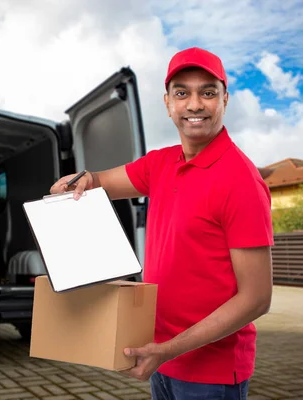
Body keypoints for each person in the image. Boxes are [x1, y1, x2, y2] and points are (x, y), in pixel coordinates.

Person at [50, 47, 274, 399]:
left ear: (225, 99)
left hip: (209, 375)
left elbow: (257, 298)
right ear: (168, 103)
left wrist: (169, 349)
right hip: (161, 359)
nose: (195, 104)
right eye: (182, 93)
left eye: (208, 92)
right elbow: (98, 181)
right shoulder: (161, 164)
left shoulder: (241, 181)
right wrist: (78, 180)